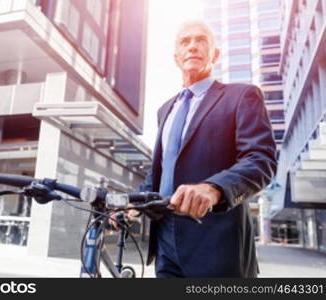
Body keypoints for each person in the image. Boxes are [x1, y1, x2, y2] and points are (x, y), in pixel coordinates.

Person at [112, 20, 277, 277]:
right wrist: (132, 204)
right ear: (176, 57)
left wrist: (213, 189)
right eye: (185, 42)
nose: (192, 47)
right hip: (165, 246)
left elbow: (260, 160)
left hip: (218, 248)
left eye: (201, 40)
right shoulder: (165, 110)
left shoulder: (242, 96)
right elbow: (160, 175)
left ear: (215, 54)